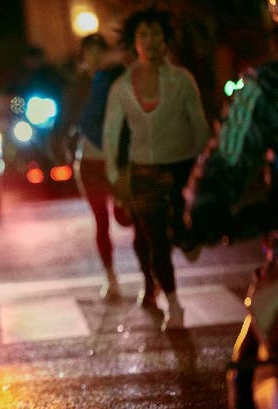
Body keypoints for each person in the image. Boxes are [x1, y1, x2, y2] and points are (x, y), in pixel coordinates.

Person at [189, 23, 278, 409]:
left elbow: (225, 162)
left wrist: (204, 212)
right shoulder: (266, 88)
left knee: (246, 368)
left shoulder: (265, 86)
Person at [102, 7, 209, 331]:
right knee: (154, 240)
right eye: (143, 36)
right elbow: (110, 134)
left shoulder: (181, 80)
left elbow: (200, 127)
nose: (150, 42)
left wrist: (202, 169)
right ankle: (174, 304)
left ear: (166, 41)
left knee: (179, 230)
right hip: (143, 171)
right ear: (134, 43)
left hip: (181, 167)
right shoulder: (121, 86)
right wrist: (115, 175)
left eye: (156, 35)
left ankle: (188, 237)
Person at [54, 33, 122, 301]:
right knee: (101, 221)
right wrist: (62, 153)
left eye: (99, 51)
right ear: (83, 56)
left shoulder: (117, 79)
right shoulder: (77, 86)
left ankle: (149, 279)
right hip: (89, 162)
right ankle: (110, 277)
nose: (95, 57)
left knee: (126, 215)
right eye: (89, 52)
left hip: (117, 160)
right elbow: (62, 123)